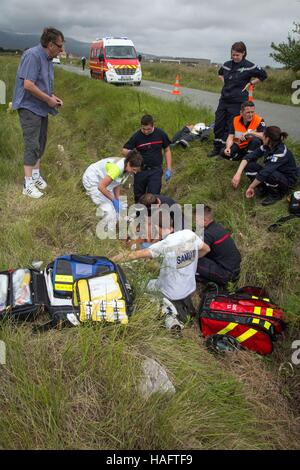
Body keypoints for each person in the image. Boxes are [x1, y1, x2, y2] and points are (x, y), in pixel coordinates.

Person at [112, 216, 210, 323]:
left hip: (170, 293)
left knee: (137, 284)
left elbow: (135, 255)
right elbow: (206, 249)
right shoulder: (189, 234)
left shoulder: (166, 243)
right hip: (190, 288)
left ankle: (166, 310)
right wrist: (189, 260)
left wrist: (109, 261)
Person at [12, 27, 64, 198]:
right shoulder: (33, 56)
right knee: (32, 144)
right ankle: (27, 185)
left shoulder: (48, 59)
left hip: (41, 106)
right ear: (50, 44)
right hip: (29, 106)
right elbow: (28, 85)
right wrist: (48, 100)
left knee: (41, 143)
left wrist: (53, 98)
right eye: (59, 46)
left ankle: (35, 176)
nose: (61, 50)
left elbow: (43, 85)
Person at [208, 41, 267, 158]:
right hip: (224, 99)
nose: (234, 57)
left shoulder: (249, 66)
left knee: (230, 125)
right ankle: (217, 147)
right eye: (233, 54)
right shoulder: (226, 64)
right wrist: (224, 82)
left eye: (237, 55)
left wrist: (251, 83)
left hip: (238, 101)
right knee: (219, 122)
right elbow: (220, 73)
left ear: (243, 53)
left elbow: (263, 75)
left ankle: (225, 149)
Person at [232, 126, 298, 206]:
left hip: (287, 180)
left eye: (263, 135)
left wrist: (251, 187)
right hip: (274, 173)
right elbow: (247, 157)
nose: (262, 136)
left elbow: (265, 172)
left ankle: (276, 195)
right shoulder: (267, 146)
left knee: (269, 174)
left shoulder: (281, 152)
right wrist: (238, 174)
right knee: (249, 166)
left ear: (268, 138)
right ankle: (263, 188)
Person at [82, 150, 143, 229]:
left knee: (122, 206)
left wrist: (117, 199)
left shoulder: (126, 168)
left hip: (105, 182)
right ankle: (108, 233)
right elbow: (101, 187)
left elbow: (116, 183)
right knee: (109, 210)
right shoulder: (117, 169)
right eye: (134, 169)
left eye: (136, 171)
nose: (135, 172)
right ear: (129, 163)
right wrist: (114, 200)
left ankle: (118, 226)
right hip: (93, 180)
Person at [122, 114, 172, 203]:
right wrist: (134, 154)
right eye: (143, 129)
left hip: (155, 170)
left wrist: (169, 168)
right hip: (140, 171)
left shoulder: (160, 134)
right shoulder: (137, 136)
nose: (145, 132)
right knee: (139, 196)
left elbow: (167, 150)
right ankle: (139, 215)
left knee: (153, 197)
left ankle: (152, 215)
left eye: (148, 129)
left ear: (153, 126)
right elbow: (124, 150)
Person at [196, 205, 241, 286]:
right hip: (236, 267)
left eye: (196, 220)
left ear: (204, 220)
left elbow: (201, 251)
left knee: (194, 261)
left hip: (228, 275)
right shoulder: (217, 226)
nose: (195, 223)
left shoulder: (208, 234)